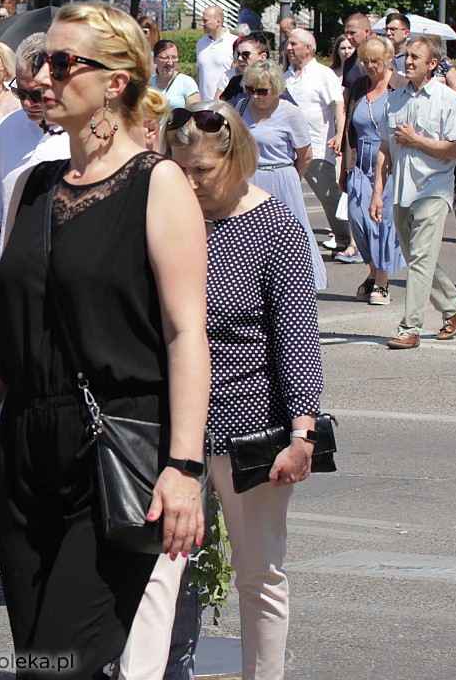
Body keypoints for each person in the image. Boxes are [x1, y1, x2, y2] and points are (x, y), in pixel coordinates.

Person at [0, 3, 211, 676]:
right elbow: (5, 336)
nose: (42, 75)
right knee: (41, 660)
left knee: (64, 665)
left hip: (113, 449)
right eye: (39, 61)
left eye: (59, 62)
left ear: (115, 82)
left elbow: (186, 334)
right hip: (24, 449)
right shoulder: (33, 186)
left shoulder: (158, 185)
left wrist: (186, 469)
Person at [159, 99, 323, 680]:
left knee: (260, 573)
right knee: (160, 570)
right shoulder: (166, 217)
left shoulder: (274, 224)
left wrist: (301, 434)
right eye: (179, 170)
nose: (192, 183)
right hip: (170, 421)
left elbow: (297, 336)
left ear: (236, 159)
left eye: (202, 171)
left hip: (250, 426)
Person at [371, 36, 456, 349]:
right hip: (402, 190)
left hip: (433, 188)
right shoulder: (395, 97)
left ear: (432, 64)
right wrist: (378, 191)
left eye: (416, 57)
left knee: (420, 258)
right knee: (419, 257)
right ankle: (453, 306)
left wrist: (419, 141)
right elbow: (386, 147)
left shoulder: (448, 99)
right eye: (407, 56)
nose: (409, 61)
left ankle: (410, 327)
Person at [0, 33, 70, 292]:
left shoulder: (85, 135)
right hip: (12, 284)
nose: (27, 103)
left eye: (37, 94)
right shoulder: (8, 130)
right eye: (20, 92)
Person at [239, 59, 328, 289]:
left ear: (276, 88)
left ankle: (299, 284)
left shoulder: (290, 112)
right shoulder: (241, 107)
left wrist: (289, 178)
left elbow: (305, 155)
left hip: (281, 176)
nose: (256, 96)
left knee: (291, 235)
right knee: (250, 238)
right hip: (250, 179)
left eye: (262, 91)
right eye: (251, 89)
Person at [342, 36, 406, 305]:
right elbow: (348, 127)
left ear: (388, 60)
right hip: (360, 159)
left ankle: (382, 281)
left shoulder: (401, 85)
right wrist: (344, 169)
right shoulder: (358, 85)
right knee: (358, 218)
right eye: (365, 61)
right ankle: (372, 272)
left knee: (384, 221)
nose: (370, 67)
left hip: (390, 159)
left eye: (375, 62)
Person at [284, 28, 351, 261]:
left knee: (327, 195)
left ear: (308, 48)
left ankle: (345, 237)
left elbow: (338, 106)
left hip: (317, 146)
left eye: (293, 44)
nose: (288, 48)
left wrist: (339, 135)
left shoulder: (323, 74)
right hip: (287, 148)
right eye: (288, 44)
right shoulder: (286, 76)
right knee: (285, 195)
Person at [196, 6, 236, 106]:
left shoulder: (234, 42)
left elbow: (237, 72)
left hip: (226, 105)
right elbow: (199, 72)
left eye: (205, 20)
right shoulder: (200, 43)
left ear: (218, 21)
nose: (202, 23)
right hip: (204, 106)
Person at [150, 39, 200, 111]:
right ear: (154, 59)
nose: (170, 62)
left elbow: (194, 115)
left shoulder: (186, 82)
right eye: (165, 57)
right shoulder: (149, 85)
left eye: (174, 57)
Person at [340, 12, 372, 88]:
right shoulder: (349, 62)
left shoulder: (378, 58)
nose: (348, 37)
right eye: (346, 33)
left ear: (366, 32)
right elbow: (347, 91)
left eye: (352, 33)